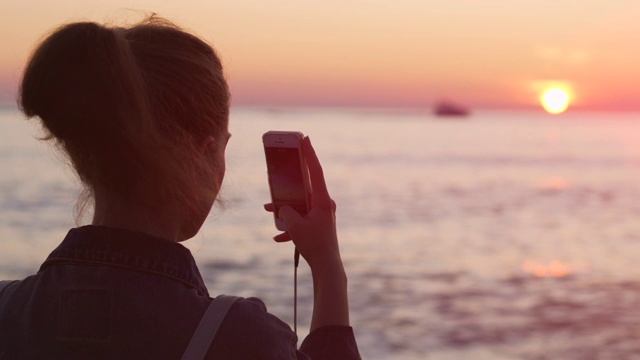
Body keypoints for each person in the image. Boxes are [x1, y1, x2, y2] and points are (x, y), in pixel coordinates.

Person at [0, 16, 360, 359]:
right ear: (200, 157)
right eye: (222, 147)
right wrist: (328, 267)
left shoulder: (9, 310)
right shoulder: (240, 338)